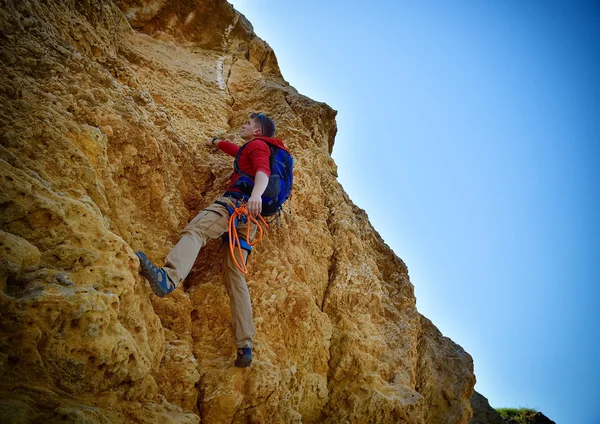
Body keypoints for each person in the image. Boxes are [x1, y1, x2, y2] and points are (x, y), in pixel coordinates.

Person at [136, 113, 288, 368]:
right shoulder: (256, 149)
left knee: (196, 231)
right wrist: (217, 142)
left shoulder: (258, 146)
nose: (243, 125)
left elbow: (262, 170)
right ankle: (245, 345)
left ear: (258, 132)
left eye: (248, 123)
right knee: (235, 276)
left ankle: (169, 277)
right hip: (249, 223)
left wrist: (256, 196)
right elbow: (237, 153)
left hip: (237, 205)